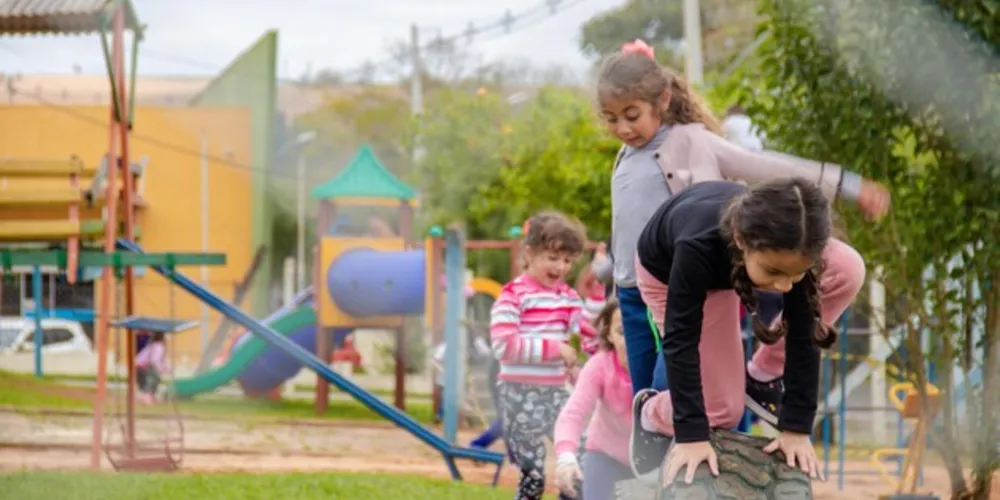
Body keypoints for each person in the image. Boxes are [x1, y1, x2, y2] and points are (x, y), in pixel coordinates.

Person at [594, 38, 889, 452]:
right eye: (611, 119)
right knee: (655, 409)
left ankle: (763, 374)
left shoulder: (692, 141)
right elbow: (626, 230)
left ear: (662, 101)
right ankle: (657, 455)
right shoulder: (625, 157)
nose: (623, 129)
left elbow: (768, 167)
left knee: (696, 397)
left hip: (703, 276)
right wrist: (611, 280)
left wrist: (848, 185)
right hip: (637, 292)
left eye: (631, 116)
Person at [629, 179, 866, 484]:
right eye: (774, 272)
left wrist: (796, 427)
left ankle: (762, 377)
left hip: (736, 262)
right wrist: (691, 436)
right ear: (741, 241)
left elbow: (804, 333)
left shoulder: (793, 252)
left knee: (846, 267)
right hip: (670, 274)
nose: (785, 286)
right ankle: (650, 413)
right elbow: (681, 340)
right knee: (721, 410)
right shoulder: (697, 245)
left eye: (796, 274)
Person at [490, 211, 587, 500]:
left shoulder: (568, 298)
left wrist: (582, 364)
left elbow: (582, 336)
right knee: (533, 476)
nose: (561, 267)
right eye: (553, 257)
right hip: (519, 395)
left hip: (557, 393)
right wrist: (553, 349)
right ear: (529, 254)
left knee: (579, 461)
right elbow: (504, 345)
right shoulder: (513, 295)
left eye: (568, 260)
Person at [553, 298, 634, 499]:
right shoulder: (600, 366)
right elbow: (573, 413)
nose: (631, 341)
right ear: (609, 334)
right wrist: (565, 456)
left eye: (638, 331)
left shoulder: (664, 366)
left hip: (657, 458)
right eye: (622, 332)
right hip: (606, 453)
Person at [575, 242, 608, 358]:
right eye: (601, 251)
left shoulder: (610, 269)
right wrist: (589, 297)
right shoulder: (591, 269)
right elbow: (582, 285)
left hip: (604, 305)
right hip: (592, 305)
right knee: (591, 334)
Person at [136, 332, 169, 404]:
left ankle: (147, 395)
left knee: (150, 379)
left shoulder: (153, 345)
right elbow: (154, 360)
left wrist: (165, 368)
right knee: (155, 377)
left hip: (139, 364)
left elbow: (162, 360)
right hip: (143, 365)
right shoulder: (159, 346)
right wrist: (161, 368)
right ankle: (147, 396)